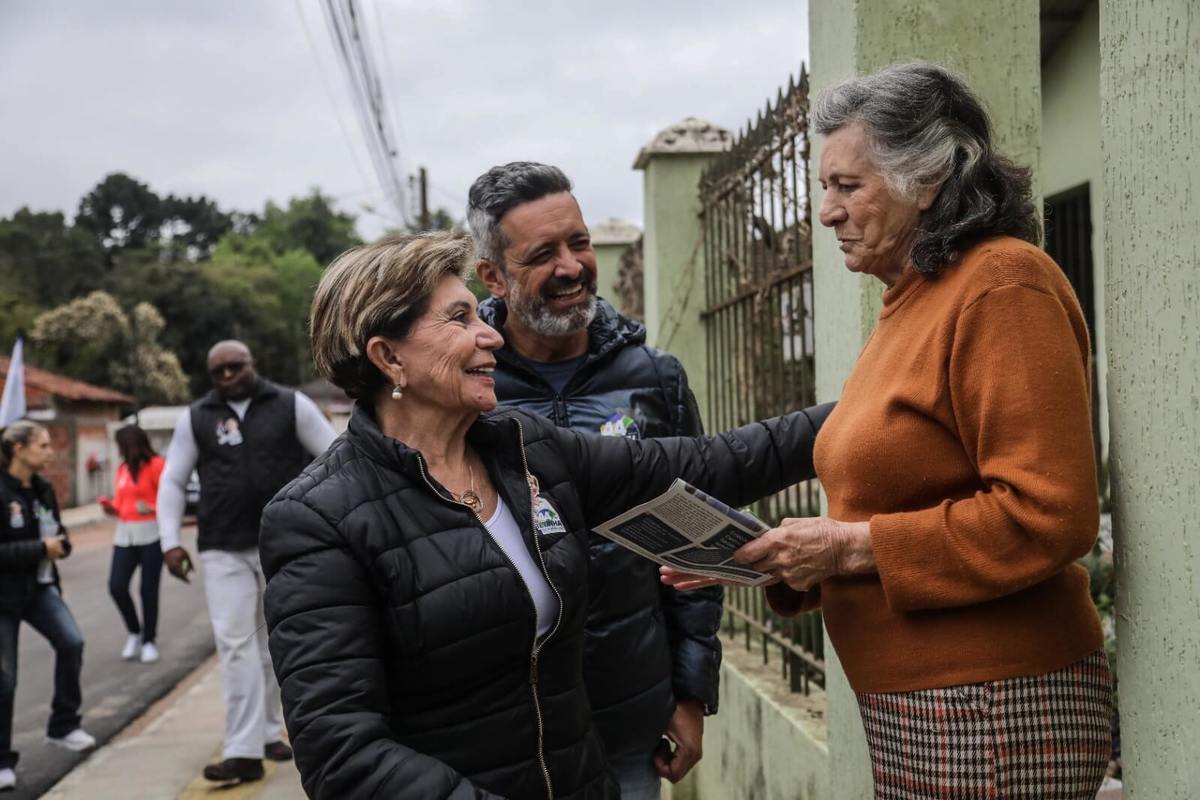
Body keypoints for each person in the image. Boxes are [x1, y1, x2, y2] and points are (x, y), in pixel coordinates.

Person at [663, 62, 1112, 799]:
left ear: (927, 181)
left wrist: (844, 548)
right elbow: (893, 506)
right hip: (934, 709)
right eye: (824, 189)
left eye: (848, 186)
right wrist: (785, 560)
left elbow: (1051, 514)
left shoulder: (1002, 285)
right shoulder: (912, 299)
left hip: (994, 707)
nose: (828, 213)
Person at [259, 231, 833, 799]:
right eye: (459, 319)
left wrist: (868, 409)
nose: (490, 335)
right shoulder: (318, 519)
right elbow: (341, 751)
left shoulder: (525, 448)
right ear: (388, 357)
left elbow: (714, 463)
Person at [469, 161, 721, 797]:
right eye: (543, 253)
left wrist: (690, 693)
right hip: (501, 731)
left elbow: (693, 538)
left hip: (628, 717)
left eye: (578, 243)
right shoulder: (466, 386)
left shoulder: (654, 379)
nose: (572, 267)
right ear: (493, 275)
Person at [157, 340, 336, 784]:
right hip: (222, 546)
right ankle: (243, 751)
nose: (227, 377)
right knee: (235, 643)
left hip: (284, 543)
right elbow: (173, 480)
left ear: (252, 364)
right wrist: (168, 542)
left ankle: (270, 731)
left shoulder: (292, 404)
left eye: (235, 368)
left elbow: (335, 457)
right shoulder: (196, 417)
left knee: (275, 642)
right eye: (217, 372)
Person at [0, 421, 95, 793]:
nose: (49, 451)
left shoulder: (42, 489)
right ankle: (2, 759)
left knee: (71, 642)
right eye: (42, 445)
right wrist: (40, 550)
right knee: (4, 680)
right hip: (3, 597)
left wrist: (61, 546)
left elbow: (58, 534)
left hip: (40, 589)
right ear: (19, 449)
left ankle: (63, 725)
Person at [98, 424, 165, 664]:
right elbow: (121, 503)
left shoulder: (156, 465)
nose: (118, 450)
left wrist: (153, 508)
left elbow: (169, 500)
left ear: (130, 444)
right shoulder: (122, 469)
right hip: (125, 535)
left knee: (148, 590)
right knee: (116, 586)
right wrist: (111, 508)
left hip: (152, 535)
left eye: (120, 444)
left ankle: (149, 641)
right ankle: (134, 631)